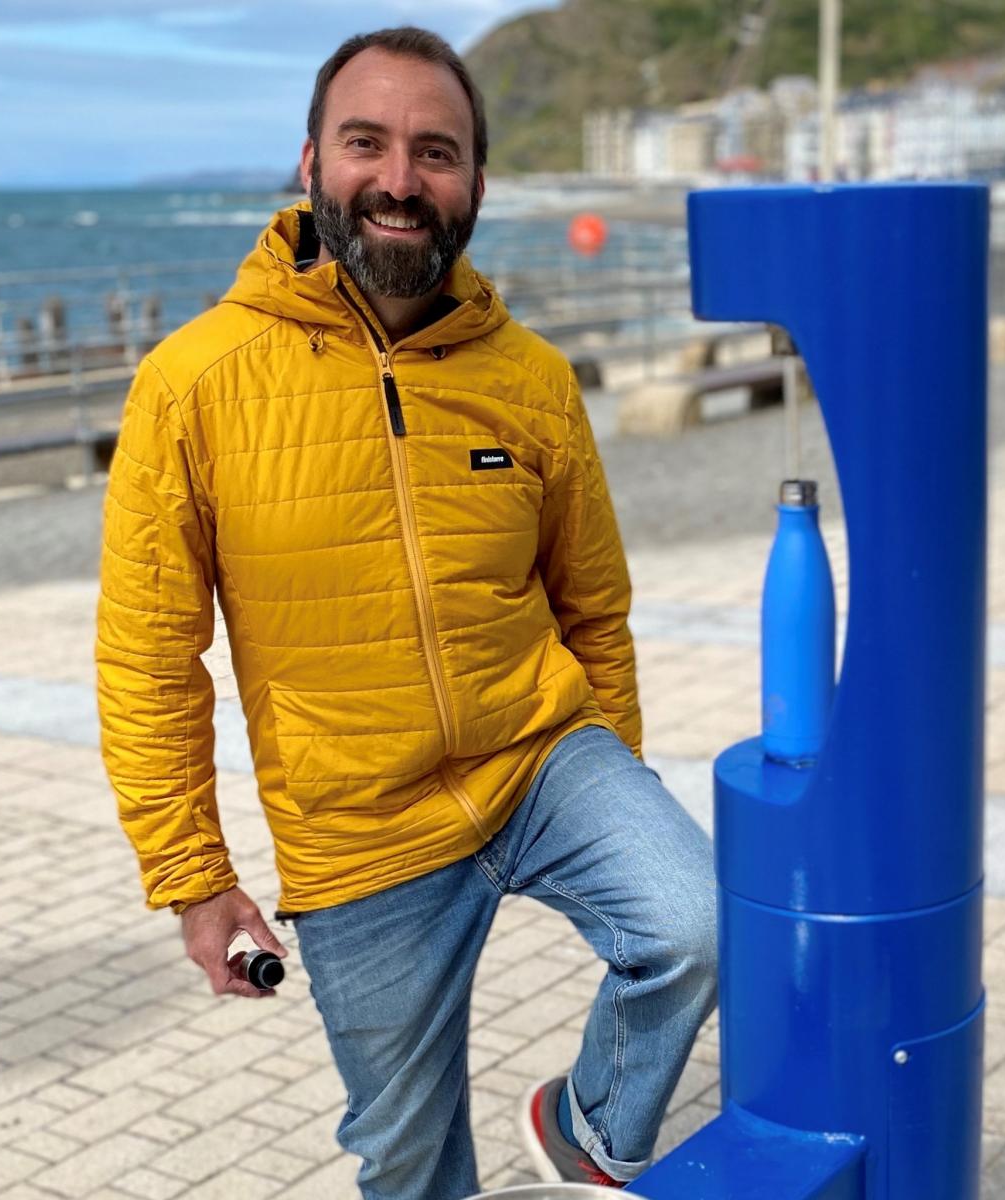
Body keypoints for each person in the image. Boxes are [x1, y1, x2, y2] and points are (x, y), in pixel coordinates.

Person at [95, 26, 717, 1199]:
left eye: (436, 152)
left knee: (694, 924)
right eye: (365, 143)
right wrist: (192, 874)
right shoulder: (191, 382)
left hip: (541, 759)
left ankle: (590, 1135)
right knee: (409, 1162)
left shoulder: (529, 375)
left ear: (477, 181)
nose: (398, 180)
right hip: (355, 826)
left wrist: (621, 782)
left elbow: (594, 602)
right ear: (309, 163)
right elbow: (147, 653)